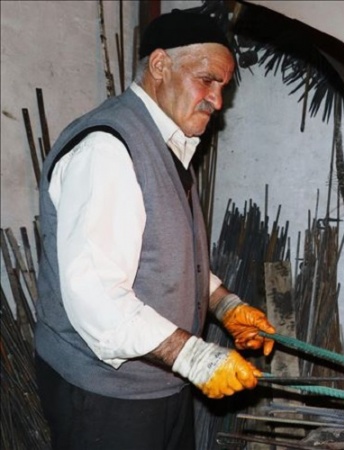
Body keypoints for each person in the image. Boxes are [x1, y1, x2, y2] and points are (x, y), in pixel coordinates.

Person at [34, 9, 275, 450]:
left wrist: (224, 304)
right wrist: (194, 354)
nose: (217, 101)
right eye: (207, 80)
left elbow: (168, 256)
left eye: (223, 87)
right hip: (104, 396)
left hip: (161, 384)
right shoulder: (108, 148)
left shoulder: (170, 143)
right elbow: (96, 296)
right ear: (160, 65)